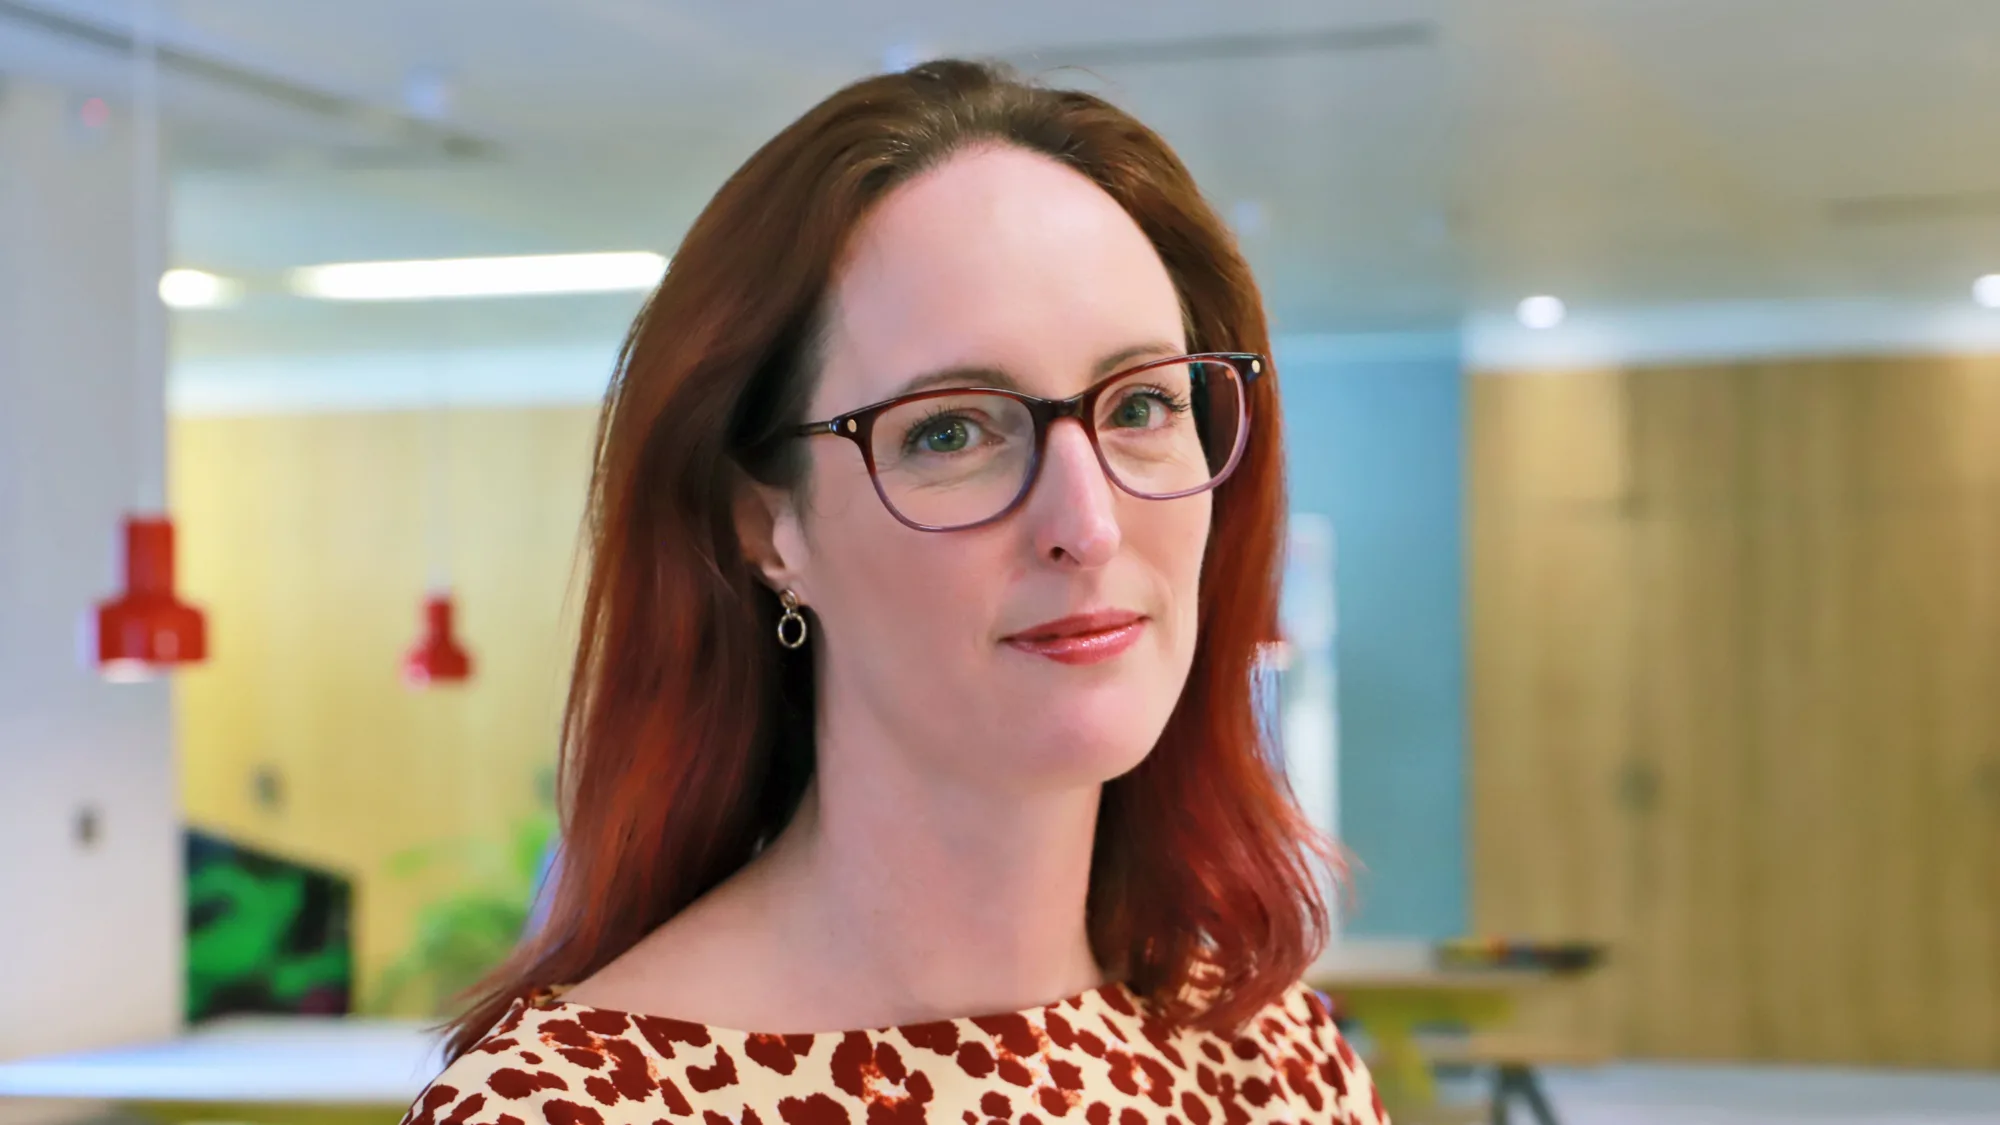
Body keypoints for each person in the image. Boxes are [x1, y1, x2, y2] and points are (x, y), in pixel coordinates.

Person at [403, 59, 1385, 1125]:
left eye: (1141, 405)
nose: (1086, 523)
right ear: (765, 526)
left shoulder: (1271, 1059)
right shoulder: (570, 1109)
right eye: (950, 431)